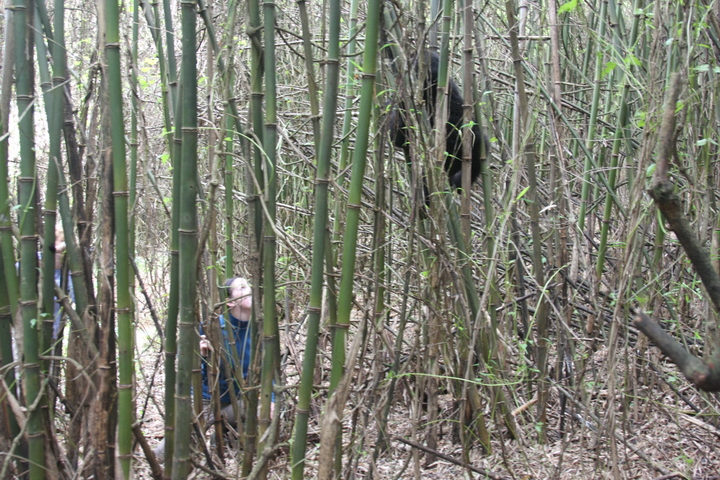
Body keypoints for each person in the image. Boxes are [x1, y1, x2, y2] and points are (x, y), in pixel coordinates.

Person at [153, 277, 254, 461]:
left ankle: (223, 434)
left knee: (262, 408)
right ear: (230, 302)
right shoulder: (212, 327)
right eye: (242, 287)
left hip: (240, 400)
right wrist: (201, 356)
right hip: (207, 400)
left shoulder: (259, 329)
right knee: (166, 451)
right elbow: (188, 365)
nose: (250, 290)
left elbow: (268, 373)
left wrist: (272, 400)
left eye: (248, 285)